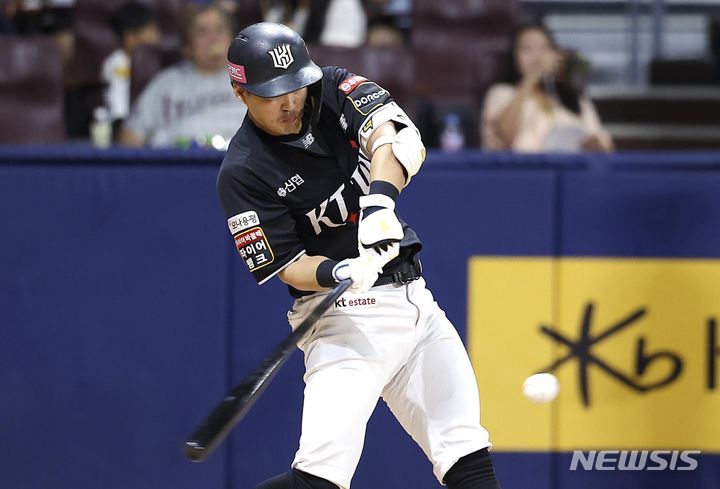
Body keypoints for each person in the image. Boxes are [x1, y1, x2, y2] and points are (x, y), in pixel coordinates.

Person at [217, 22, 501, 489]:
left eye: (295, 87)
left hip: (415, 303)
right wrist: (339, 269)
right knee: (320, 481)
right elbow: (285, 265)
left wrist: (380, 202)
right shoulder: (242, 171)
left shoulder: (332, 87)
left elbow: (394, 138)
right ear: (240, 93)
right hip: (341, 318)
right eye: (272, 94)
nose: (290, 102)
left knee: (468, 460)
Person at [119, 4, 246, 148]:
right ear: (187, 46)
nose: (213, 39)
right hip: (179, 165)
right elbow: (130, 138)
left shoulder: (251, 79)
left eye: (220, 29)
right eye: (202, 32)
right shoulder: (165, 84)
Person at [481, 22, 614, 153]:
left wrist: (593, 145)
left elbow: (600, 141)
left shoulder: (574, 97)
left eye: (544, 48)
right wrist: (531, 78)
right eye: (527, 49)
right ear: (513, 56)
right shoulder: (501, 92)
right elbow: (505, 135)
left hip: (571, 171)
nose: (537, 57)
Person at [101, 1, 161, 129]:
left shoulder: (152, 62)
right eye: (150, 31)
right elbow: (118, 104)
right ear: (130, 37)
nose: (157, 37)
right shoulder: (117, 63)